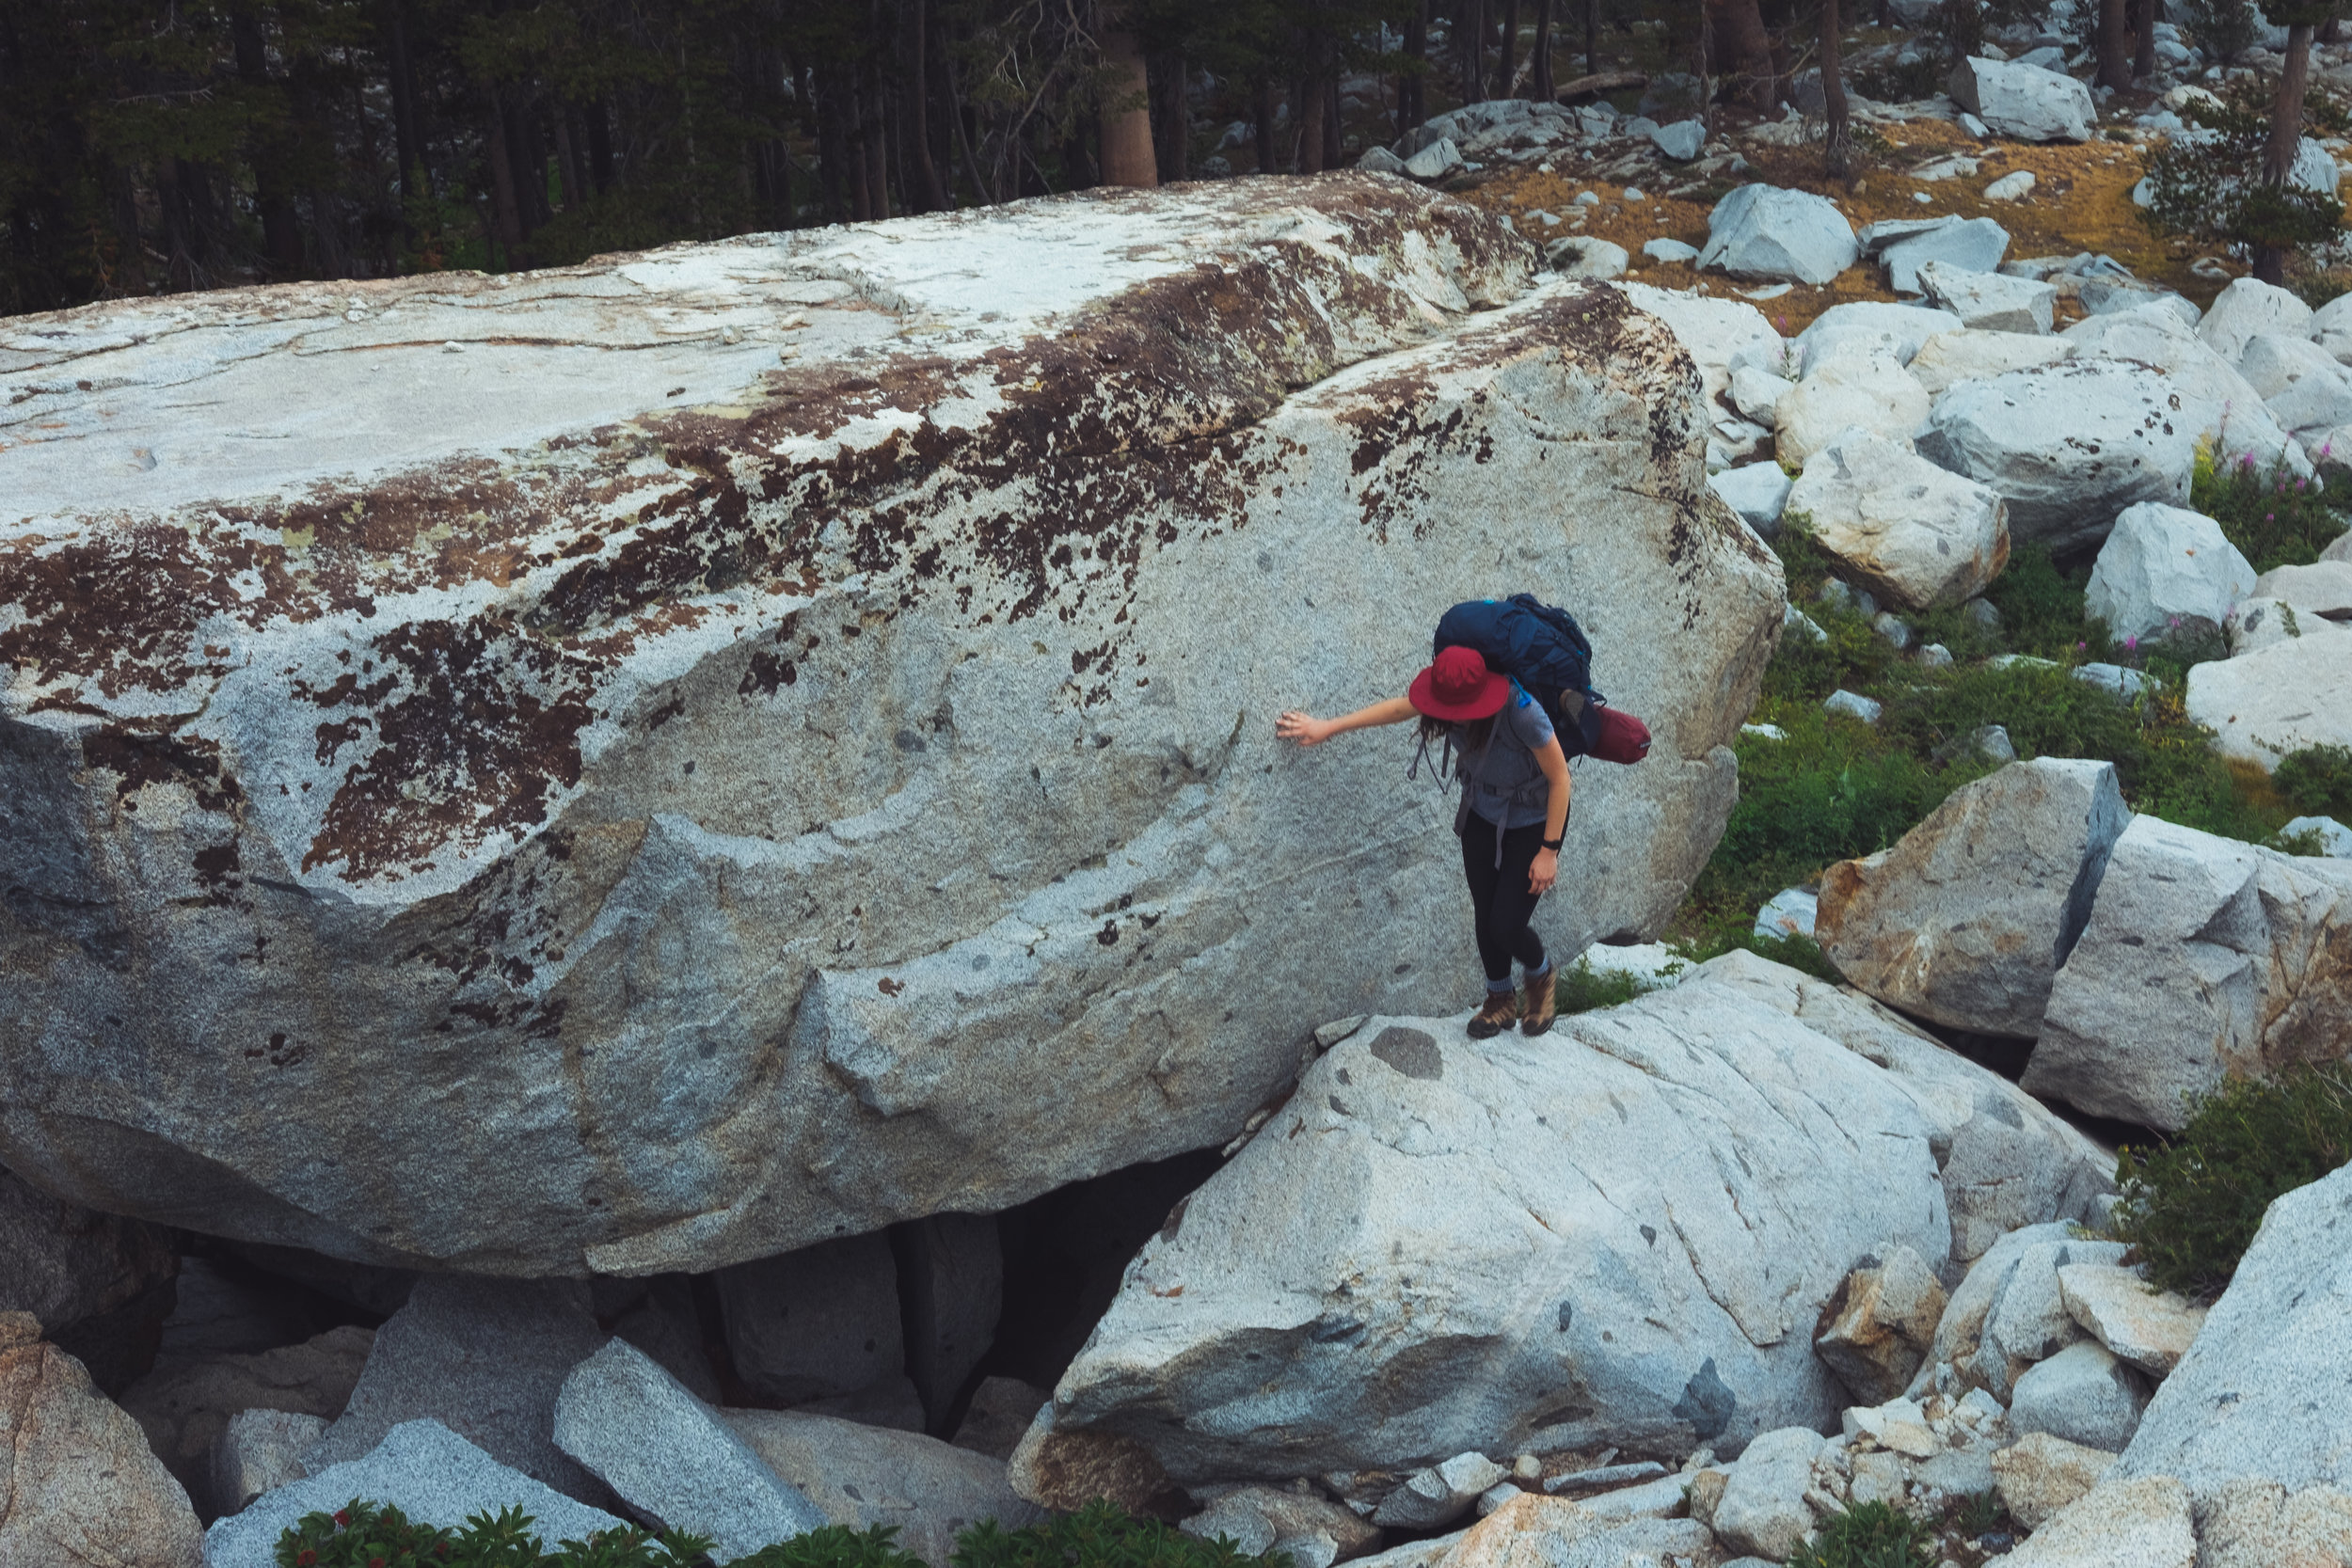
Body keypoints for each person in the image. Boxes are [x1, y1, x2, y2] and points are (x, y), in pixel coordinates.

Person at [1277, 643, 1572, 1038]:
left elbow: (1560, 779)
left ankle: (1540, 974)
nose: (1449, 719)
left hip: (1535, 822)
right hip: (1481, 812)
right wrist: (1328, 727)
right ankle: (1499, 1000)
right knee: (1485, 915)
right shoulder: (1445, 698)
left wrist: (1549, 851)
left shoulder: (1522, 711)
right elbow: (1399, 708)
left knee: (1506, 923)